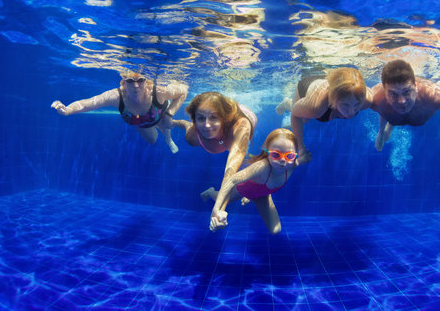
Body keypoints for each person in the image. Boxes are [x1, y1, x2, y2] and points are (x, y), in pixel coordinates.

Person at [51, 72, 188, 153]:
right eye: (130, 81)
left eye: (140, 80)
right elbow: (88, 103)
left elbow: (183, 91)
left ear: (146, 82)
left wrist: (170, 113)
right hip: (140, 122)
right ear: (123, 83)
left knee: (166, 124)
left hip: (160, 113)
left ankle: (168, 138)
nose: (135, 85)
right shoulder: (116, 96)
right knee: (152, 140)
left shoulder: (159, 92)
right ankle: (162, 127)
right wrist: (68, 110)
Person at [205, 128, 302, 234]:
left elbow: (302, 158)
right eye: (275, 155)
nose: (283, 160)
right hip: (241, 191)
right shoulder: (262, 167)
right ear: (267, 152)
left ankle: (252, 197)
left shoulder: (292, 165)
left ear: (295, 155)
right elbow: (232, 180)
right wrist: (216, 210)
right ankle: (210, 191)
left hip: (263, 194)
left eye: (289, 156)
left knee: (276, 230)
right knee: (216, 197)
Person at [275, 67, 372, 163]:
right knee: (304, 119)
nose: (351, 112)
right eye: (345, 105)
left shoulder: (366, 100)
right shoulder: (316, 107)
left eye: (356, 105)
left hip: (331, 81)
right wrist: (301, 147)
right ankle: (286, 103)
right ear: (333, 99)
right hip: (307, 85)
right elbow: (295, 115)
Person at [171, 91, 257, 190]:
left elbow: (236, 161)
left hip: (243, 114)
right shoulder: (194, 136)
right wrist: (176, 122)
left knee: (242, 156)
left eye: (214, 117)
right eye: (201, 119)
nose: (207, 125)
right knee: (190, 138)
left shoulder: (239, 125)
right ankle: (176, 122)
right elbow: (189, 125)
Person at [370, 59, 440, 151]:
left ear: (415, 86)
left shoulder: (434, 97)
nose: (401, 101)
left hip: (422, 89)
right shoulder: (375, 99)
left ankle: (390, 125)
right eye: (393, 94)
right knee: (383, 106)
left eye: (407, 92)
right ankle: (382, 130)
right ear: (384, 91)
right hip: (389, 111)